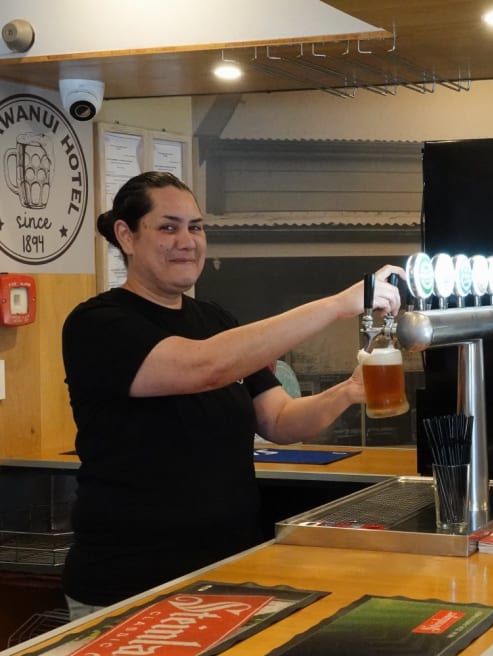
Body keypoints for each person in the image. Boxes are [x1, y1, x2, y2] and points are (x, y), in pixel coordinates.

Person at [60, 171, 405, 619]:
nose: (187, 241)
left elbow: (279, 421)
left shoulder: (215, 319)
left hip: (229, 570)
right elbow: (204, 367)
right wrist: (339, 304)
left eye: (196, 227)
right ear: (126, 235)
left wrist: (347, 391)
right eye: (168, 227)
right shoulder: (98, 324)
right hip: (130, 583)